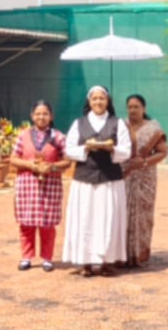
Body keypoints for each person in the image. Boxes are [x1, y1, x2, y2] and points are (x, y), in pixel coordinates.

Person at [63, 86, 132, 276]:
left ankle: (106, 261)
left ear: (108, 101)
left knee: (108, 220)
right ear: (89, 101)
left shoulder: (117, 123)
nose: (98, 102)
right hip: (84, 180)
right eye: (94, 99)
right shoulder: (79, 123)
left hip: (110, 180)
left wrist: (112, 149)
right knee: (85, 219)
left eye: (102, 98)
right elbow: (69, 149)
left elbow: (126, 150)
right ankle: (85, 262)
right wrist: (85, 148)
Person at [9, 100, 67, 271]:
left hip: (50, 185)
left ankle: (47, 258)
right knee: (26, 223)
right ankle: (26, 257)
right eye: (38, 114)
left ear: (51, 116)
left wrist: (52, 167)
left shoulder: (58, 137)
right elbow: (13, 158)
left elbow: (68, 161)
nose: (41, 117)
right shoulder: (23, 136)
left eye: (45, 114)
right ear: (32, 116)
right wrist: (29, 165)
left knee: (47, 224)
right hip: (27, 184)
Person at [124, 94, 168, 268]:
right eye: (130, 107)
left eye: (136, 107)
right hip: (124, 176)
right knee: (122, 214)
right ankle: (121, 255)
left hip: (145, 178)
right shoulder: (121, 126)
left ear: (144, 108)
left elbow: (163, 152)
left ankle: (139, 254)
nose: (133, 110)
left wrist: (144, 162)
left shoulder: (153, 128)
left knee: (143, 216)